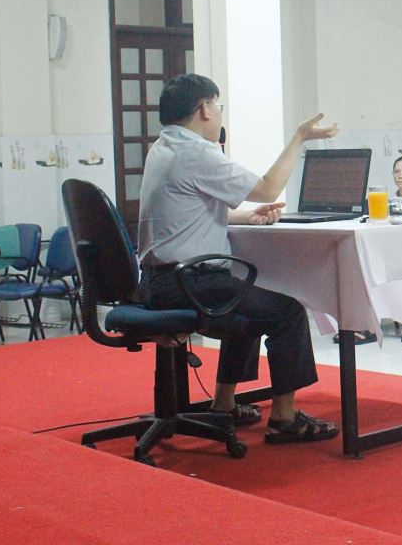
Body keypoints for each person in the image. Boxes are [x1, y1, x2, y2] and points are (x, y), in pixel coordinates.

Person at [138, 73, 340, 443]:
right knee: (288, 312)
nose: (218, 114)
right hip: (190, 282)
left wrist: (247, 216)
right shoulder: (196, 152)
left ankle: (224, 404)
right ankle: (285, 417)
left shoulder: (163, 148)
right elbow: (267, 188)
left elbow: (185, 215)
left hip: (158, 281)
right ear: (204, 109)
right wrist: (299, 138)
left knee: (245, 301)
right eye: (218, 106)